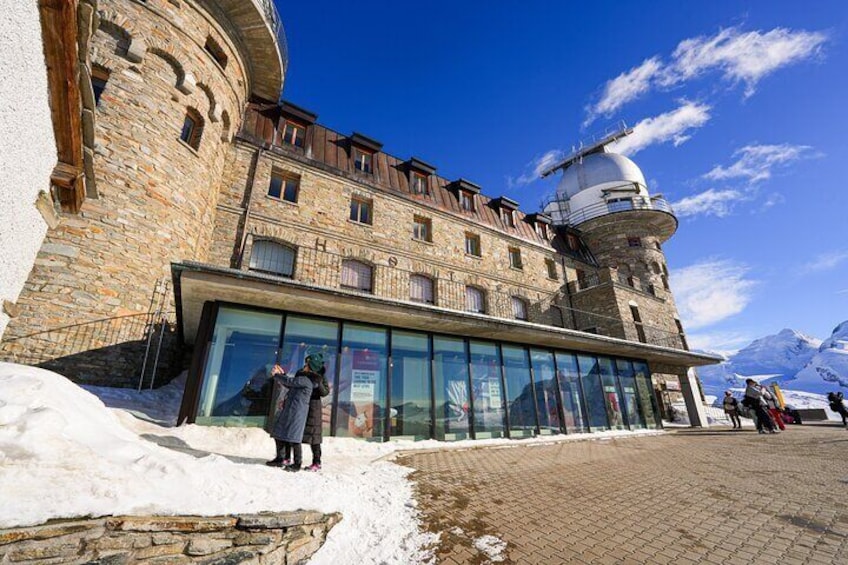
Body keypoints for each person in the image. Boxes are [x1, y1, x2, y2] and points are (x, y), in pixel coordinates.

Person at [265, 356, 321, 472]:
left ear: (310, 368)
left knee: (294, 438)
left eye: (306, 365)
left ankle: (297, 463)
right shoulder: (303, 379)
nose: (304, 367)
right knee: (279, 433)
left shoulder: (305, 380)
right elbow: (291, 383)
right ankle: (280, 458)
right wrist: (282, 374)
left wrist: (276, 375)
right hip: (289, 410)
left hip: (297, 412)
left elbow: (290, 381)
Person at [301, 356, 330, 471]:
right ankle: (290, 458)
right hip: (301, 405)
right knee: (294, 431)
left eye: (308, 363)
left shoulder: (321, 376)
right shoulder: (302, 372)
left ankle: (316, 462)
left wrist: (318, 381)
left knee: (314, 436)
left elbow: (325, 392)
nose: (306, 365)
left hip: (314, 407)